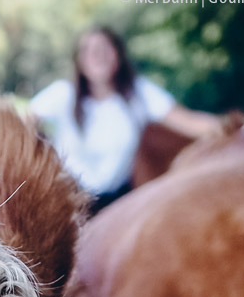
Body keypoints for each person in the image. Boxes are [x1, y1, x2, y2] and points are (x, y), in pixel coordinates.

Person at [30, 26, 221, 212]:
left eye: (105, 48)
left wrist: (238, 129)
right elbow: (23, 123)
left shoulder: (137, 93)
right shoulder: (63, 93)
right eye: (88, 50)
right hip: (68, 203)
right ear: (79, 60)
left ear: (118, 54)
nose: (98, 54)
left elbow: (187, 121)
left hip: (118, 203)